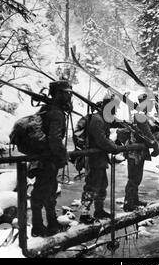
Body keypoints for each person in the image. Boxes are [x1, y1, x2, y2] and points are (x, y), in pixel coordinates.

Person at [75, 94, 135, 224]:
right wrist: (116, 148)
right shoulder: (97, 120)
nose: (115, 111)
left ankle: (99, 210)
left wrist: (125, 123)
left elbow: (113, 122)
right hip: (93, 159)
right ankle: (84, 214)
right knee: (91, 186)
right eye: (114, 108)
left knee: (102, 185)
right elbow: (101, 140)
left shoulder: (102, 118)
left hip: (99, 159)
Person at [28, 80, 72, 237]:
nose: (69, 96)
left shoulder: (46, 109)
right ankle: (38, 227)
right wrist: (62, 155)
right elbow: (54, 139)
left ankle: (51, 223)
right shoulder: (56, 113)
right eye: (67, 93)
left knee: (49, 191)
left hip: (40, 159)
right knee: (41, 193)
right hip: (46, 160)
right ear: (60, 94)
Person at [123, 93, 159, 212]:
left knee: (137, 177)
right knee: (133, 177)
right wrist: (155, 145)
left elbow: (149, 130)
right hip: (135, 152)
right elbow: (147, 135)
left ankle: (134, 199)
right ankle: (129, 203)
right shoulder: (140, 116)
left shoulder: (141, 115)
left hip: (138, 151)